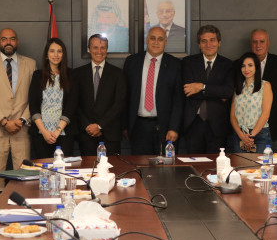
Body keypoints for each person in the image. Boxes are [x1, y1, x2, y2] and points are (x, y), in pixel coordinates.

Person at [0, 28, 36, 192]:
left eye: (12, 39)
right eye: (4, 39)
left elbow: (34, 98)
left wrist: (22, 120)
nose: (8, 42)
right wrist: (4, 122)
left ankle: (23, 208)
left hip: (21, 128)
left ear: (17, 42)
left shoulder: (30, 64)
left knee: (24, 179)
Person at [123, 26, 184, 154]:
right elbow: (125, 96)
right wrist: (125, 126)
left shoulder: (175, 64)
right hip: (138, 126)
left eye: (160, 39)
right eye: (153, 38)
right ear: (147, 40)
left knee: (166, 165)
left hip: (165, 128)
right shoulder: (132, 62)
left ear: (165, 42)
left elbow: (178, 100)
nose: (156, 42)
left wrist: (174, 128)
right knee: (140, 164)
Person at [68, 34, 127, 155]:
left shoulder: (118, 74)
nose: (99, 51)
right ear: (89, 49)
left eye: (103, 47)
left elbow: (119, 104)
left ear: (107, 49)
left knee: (112, 167)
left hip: (110, 134)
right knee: (88, 167)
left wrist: (100, 126)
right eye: (95, 47)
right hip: (86, 134)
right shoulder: (77, 74)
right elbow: (74, 104)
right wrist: (88, 126)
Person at [182, 25, 234, 153]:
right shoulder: (188, 62)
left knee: (216, 163)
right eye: (204, 41)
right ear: (199, 44)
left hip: (218, 125)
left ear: (219, 43)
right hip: (193, 124)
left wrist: (201, 87)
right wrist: (217, 93)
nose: (208, 44)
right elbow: (188, 91)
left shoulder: (228, 65)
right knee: (193, 162)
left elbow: (228, 92)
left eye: (212, 40)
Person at [250, 29, 277, 154]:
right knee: (251, 164)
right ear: (250, 44)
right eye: (255, 42)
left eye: (262, 41)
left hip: (276, 129)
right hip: (249, 130)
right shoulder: (241, 65)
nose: (258, 45)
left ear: (268, 43)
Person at [28, 38, 75, 157]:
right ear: (46, 54)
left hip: (64, 134)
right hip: (41, 133)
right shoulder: (37, 75)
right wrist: (44, 131)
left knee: (63, 167)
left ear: (63, 55)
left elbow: (72, 105)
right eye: (52, 51)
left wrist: (57, 131)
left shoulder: (71, 75)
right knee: (44, 168)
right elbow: (33, 105)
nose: (56, 55)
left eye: (59, 51)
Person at [230, 52, 273, 153]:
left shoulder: (265, 85)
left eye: (250, 65)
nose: (246, 69)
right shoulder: (238, 88)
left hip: (260, 135)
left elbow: (265, 114)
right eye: (243, 66)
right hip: (240, 135)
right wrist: (242, 135)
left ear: (256, 67)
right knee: (240, 163)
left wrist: (250, 136)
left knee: (260, 163)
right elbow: (232, 116)